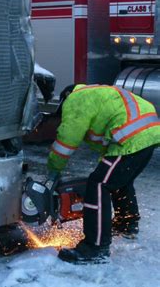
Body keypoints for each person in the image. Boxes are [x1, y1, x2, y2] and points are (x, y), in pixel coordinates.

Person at [47, 84, 160, 264]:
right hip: (149, 132)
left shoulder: (75, 99)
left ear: (66, 96)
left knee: (99, 184)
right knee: (118, 181)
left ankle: (95, 247)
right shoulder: (97, 93)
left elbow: (67, 140)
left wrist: (53, 171)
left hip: (132, 136)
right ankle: (126, 227)